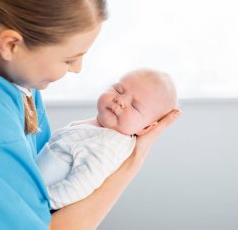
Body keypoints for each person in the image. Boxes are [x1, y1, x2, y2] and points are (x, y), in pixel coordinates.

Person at [0, 0, 181, 230]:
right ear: (11, 45)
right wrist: (132, 164)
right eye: (69, 59)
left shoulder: (19, 84)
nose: (77, 69)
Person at [36, 68, 178, 210]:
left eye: (134, 106)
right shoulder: (101, 128)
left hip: (39, 201)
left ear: (146, 128)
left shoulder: (110, 144)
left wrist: (37, 202)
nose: (120, 100)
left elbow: (79, 186)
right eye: (118, 90)